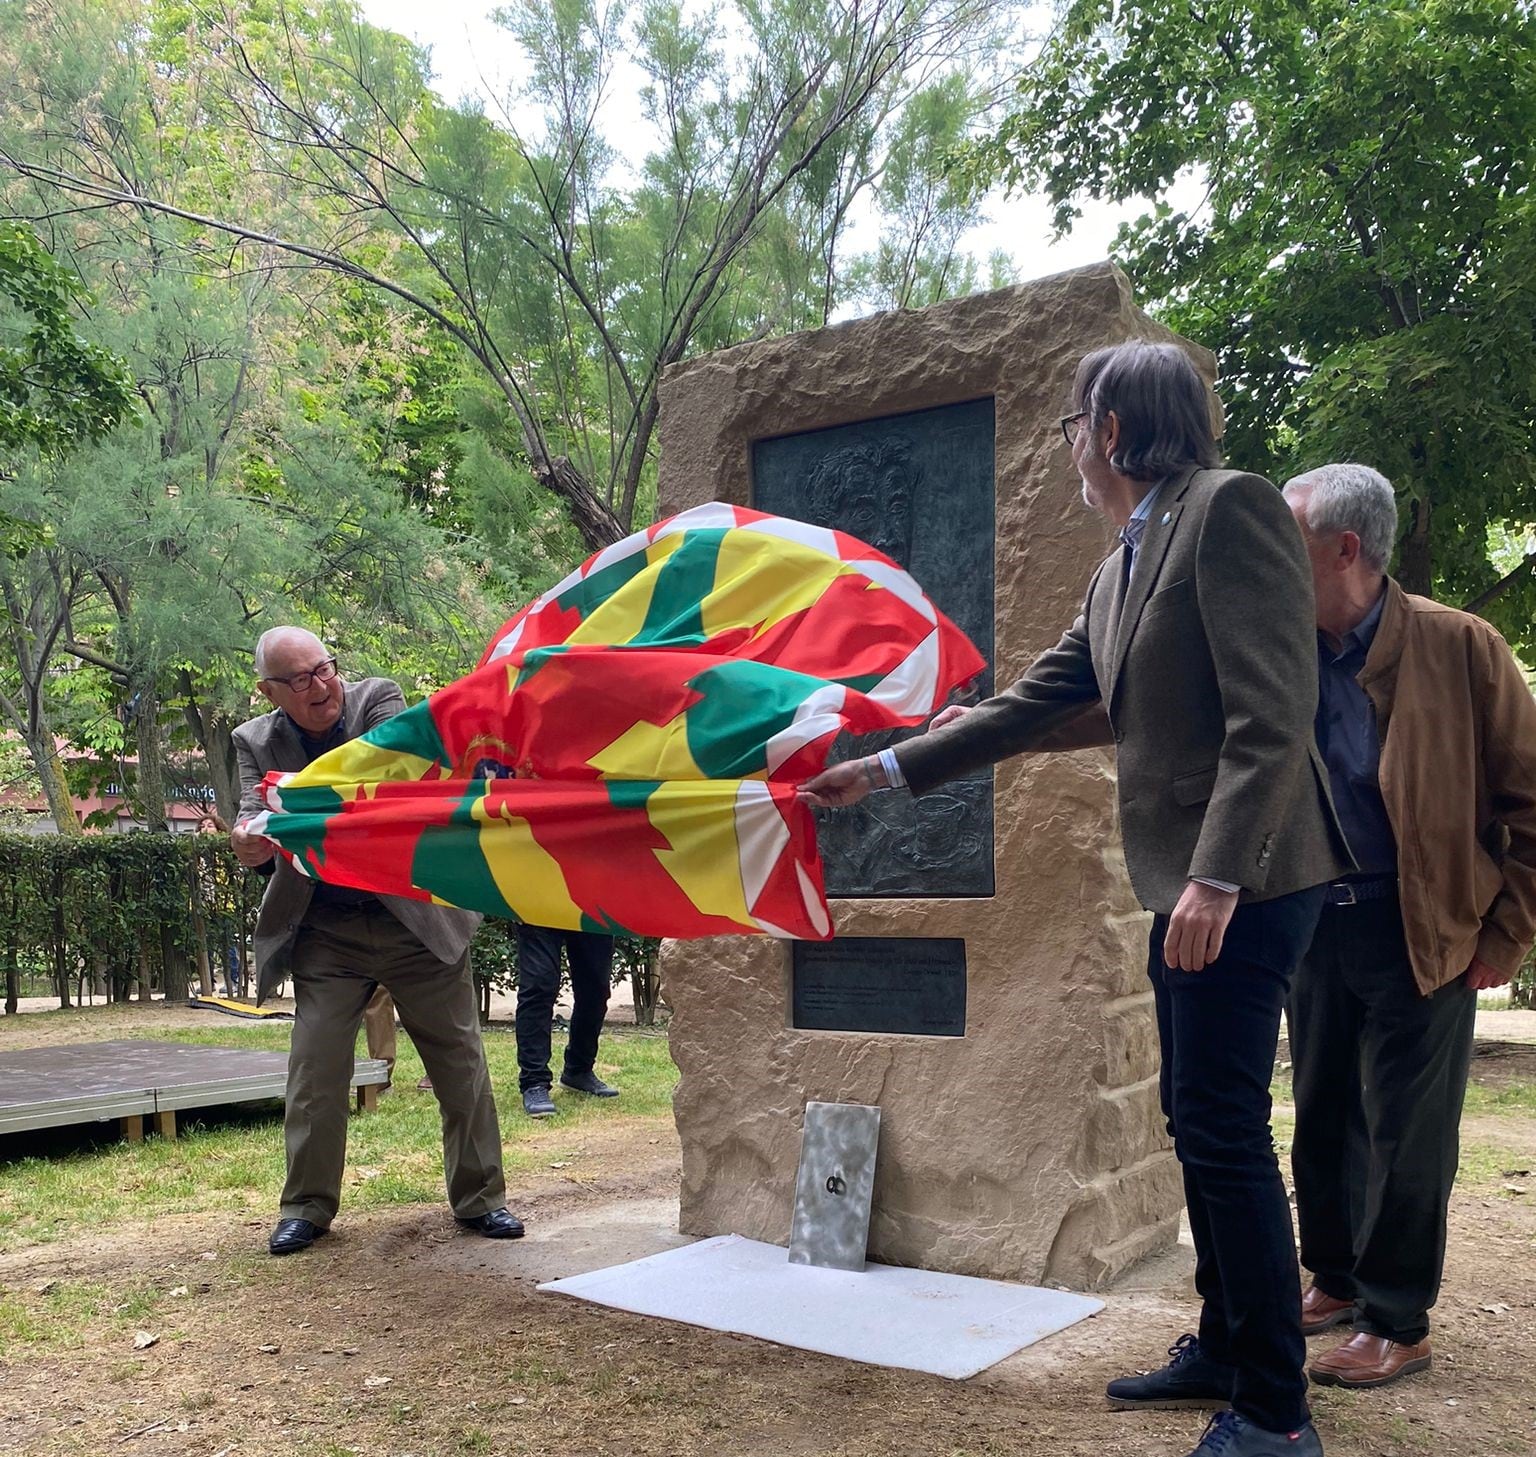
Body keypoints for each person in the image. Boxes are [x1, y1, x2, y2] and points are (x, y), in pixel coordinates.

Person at [801, 341, 1352, 1457]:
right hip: (1193, 881)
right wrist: (890, 767)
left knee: (1223, 1128)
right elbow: (1029, 705)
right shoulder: (1121, 565)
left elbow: (1273, 714)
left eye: (1068, 427)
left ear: (1108, 429)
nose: (1064, 450)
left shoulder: (1230, 509)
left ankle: (1277, 1411)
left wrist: (1216, 874)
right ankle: (1225, 1342)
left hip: (1247, 878)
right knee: (1195, 1123)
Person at [1280, 464, 1536, 1388]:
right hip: (1315, 919)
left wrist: (1503, 935)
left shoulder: (1461, 645)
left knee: (1408, 1131)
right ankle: (1338, 1280)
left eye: (1288, 533)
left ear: (1344, 548)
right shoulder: (1282, 642)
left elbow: (1533, 799)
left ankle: (1398, 1318)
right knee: (1323, 1118)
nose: (1269, 550)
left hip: (1423, 925)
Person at [231, 626, 525, 1255]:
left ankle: (482, 1200)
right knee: (314, 1068)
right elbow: (253, 816)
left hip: (414, 920)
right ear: (269, 691)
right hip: (326, 933)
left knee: (459, 1063)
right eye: (301, 679)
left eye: (325, 667)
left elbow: (390, 779)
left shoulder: (378, 701)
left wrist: (300, 805)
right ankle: (306, 1208)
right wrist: (251, 843)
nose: (322, 685)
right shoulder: (252, 741)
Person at [515, 925, 619, 1117]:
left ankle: (578, 1072)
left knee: (596, 989)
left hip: (591, 902)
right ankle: (534, 1082)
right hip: (536, 904)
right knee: (539, 985)